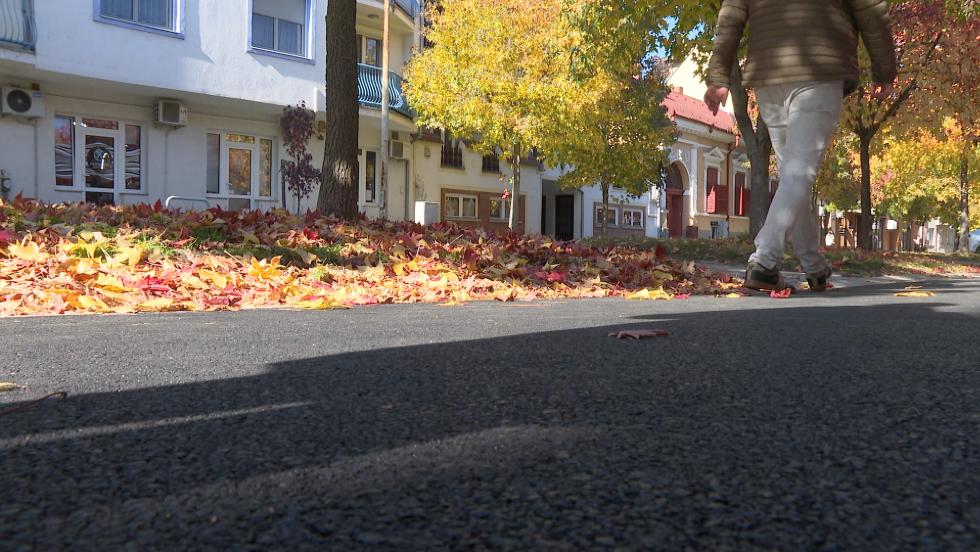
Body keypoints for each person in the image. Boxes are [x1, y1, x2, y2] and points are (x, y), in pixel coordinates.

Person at [704, 0, 897, 291]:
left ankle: (814, 266)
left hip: (769, 73)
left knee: (793, 175)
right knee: (798, 172)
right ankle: (764, 261)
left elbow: (731, 14)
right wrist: (885, 72)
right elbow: (871, 11)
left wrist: (718, 75)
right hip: (820, 65)